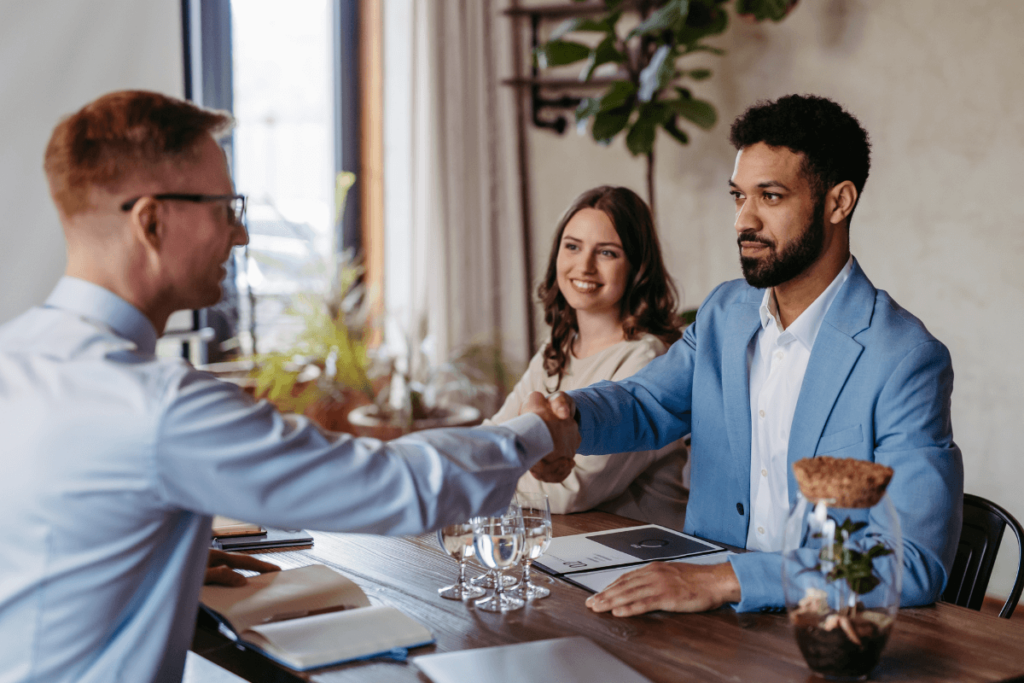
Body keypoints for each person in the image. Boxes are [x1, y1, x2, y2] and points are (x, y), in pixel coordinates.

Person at [0, 90, 577, 683]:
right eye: (225, 207)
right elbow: (386, 485)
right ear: (151, 221)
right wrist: (536, 432)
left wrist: (138, 554)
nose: (240, 234)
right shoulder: (156, 406)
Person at [542, 94, 963, 616]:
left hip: (823, 630)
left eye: (770, 197)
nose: (744, 220)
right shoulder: (724, 313)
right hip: (706, 624)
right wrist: (571, 421)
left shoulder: (905, 358)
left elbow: (911, 561)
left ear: (838, 202)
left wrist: (725, 580)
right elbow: (646, 403)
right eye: (738, 196)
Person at [488, 187, 688, 528]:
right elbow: (495, 435)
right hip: (573, 543)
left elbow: (567, 491)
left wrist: (483, 477)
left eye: (607, 253)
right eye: (572, 246)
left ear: (637, 266)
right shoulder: (557, 349)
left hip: (641, 557)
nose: (584, 266)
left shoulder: (647, 357)